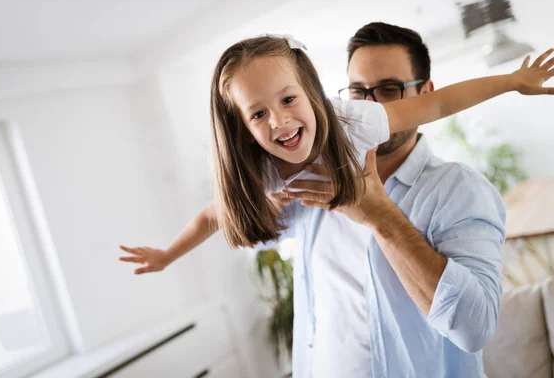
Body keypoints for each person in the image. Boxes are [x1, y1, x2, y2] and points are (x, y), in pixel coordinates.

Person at [119, 33, 554, 377]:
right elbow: (214, 215)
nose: (280, 121)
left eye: (288, 99)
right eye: (258, 114)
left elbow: (439, 104)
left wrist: (514, 81)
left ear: (312, 94)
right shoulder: (270, 169)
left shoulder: (354, 124)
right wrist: (167, 254)